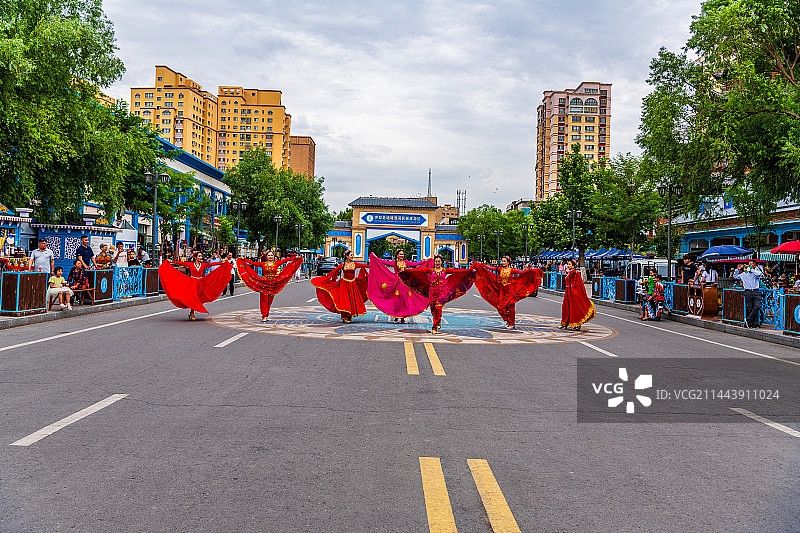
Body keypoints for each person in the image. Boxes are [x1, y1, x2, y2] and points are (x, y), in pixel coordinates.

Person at [399, 254, 476, 334]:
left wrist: (469, 270)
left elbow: (457, 271)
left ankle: (434, 326)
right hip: (432, 292)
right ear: (434, 262)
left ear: (441, 262)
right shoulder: (430, 270)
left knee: (438, 307)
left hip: (442, 292)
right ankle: (438, 321)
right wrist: (406, 271)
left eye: (439, 261)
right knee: (433, 310)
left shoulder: (445, 270)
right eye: (436, 261)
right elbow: (418, 270)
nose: (437, 263)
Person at [473, 256, 543, 329]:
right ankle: (508, 320)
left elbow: (522, 273)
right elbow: (490, 268)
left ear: (508, 262)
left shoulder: (512, 270)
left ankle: (512, 323)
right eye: (502, 261)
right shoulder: (500, 269)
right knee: (500, 306)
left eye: (504, 261)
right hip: (502, 291)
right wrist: (481, 264)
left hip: (510, 290)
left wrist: (532, 270)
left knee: (511, 307)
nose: (503, 262)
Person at [158, 251, 232, 321]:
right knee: (193, 298)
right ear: (195, 257)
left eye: (201, 256)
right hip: (192, 283)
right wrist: (172, 261)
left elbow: (212, 264)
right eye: (199, 256)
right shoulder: (190, 264)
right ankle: (192, 313)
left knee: (198, 298)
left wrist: (221, 263)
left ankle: (191, 312)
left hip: (200, 283)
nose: (200, 257)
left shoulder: (203, 265)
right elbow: (182, 263)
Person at [367, 249, 433, 324]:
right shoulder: (394, 262)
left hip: (405, 283)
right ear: (397, 255)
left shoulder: (406, 262)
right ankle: (396, 317)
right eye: (400, 254)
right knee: (397, 300)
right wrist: (375, 257)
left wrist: (425, 261)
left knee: (404, 300)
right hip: (397, 283)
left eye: (403, 254)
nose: (402, 255)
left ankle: (403, 318)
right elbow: (383, 262)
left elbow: (416, 264)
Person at [237, 250, 303, 322]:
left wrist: (295, 257)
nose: (270, 257)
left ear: (273, 256)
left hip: (273, 284)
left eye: (271, 255)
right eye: (269, 255)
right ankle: (264, 316)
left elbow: (286, 260)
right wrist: (243, 259)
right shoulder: (263, 264)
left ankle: (267, 314)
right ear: (266, 256)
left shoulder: (277, 263)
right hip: (264, 283)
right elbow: (253, 263)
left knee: (270, 301)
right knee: (264, 300)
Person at [311, 250, 369, 323]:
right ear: (347, 256)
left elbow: (366, 266)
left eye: (352, 255)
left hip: (352, 285)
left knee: (351, 300)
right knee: (345, 301)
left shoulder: (355, 264)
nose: (352, 256)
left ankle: (349, 317)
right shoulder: (342, 265)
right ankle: (344, 316)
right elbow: (334, 271)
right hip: (344, 284)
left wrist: (375, 264)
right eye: (351, 255)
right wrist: (327, 277)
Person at [560, 259, 595, 330]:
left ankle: (577, 325)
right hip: (568, 293)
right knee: (566, 308)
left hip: (573, 294)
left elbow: (578, 285)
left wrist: (574, 293)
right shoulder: (570, 273)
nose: (568, 265)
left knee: (575, 309)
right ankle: (565, 323)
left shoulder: (575, 273)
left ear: (573, 266)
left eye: (569, 264)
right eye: (567, 264)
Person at [733, 259, 763, 328]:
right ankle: (752, 324)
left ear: (754, 265)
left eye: (751, 264)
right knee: (750, 308)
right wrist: (738, 269)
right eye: (748, 264)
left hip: (756, 291)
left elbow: (759, 274)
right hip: (748, 292)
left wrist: (751, 270)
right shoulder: (744, 274)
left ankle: (748, 320)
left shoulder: (755, 273)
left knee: (757, 306)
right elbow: (735, 276)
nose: (749, 265)